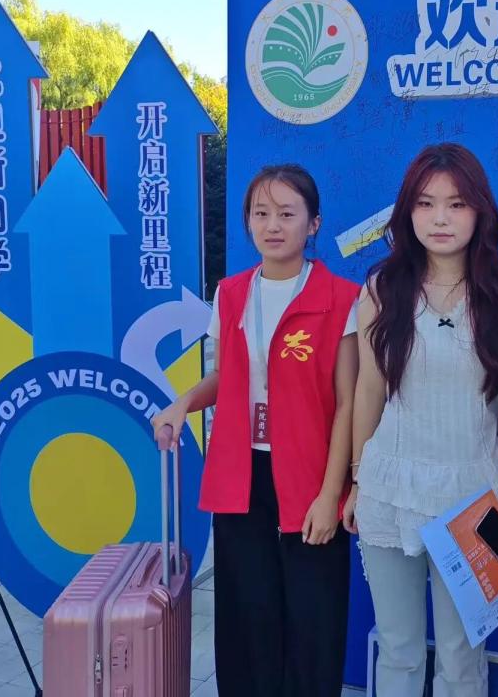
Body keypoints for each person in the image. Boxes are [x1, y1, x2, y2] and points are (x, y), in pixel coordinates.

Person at [152, 164, 359, 697]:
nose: (273, 225)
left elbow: (348, 404)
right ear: (247, 221)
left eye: (287, 214)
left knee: (313, 617)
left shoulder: (343, 298)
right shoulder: (231, 293)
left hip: (310, 475)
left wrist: (331, 494)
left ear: (313, 223)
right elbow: (226, 376)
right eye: (261, 214)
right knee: (248, 613)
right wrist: (182, 404)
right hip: (242, 472)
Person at [345, 143, 498, 697]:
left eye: (456, 204)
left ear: (480, 211)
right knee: (399, 649)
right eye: (425, 204)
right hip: (389, 487)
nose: (440, 219)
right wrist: (358, 479)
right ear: (408, 213)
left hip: (473, 496)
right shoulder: (382, 289)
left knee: (461, 653)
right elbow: (369, 390)